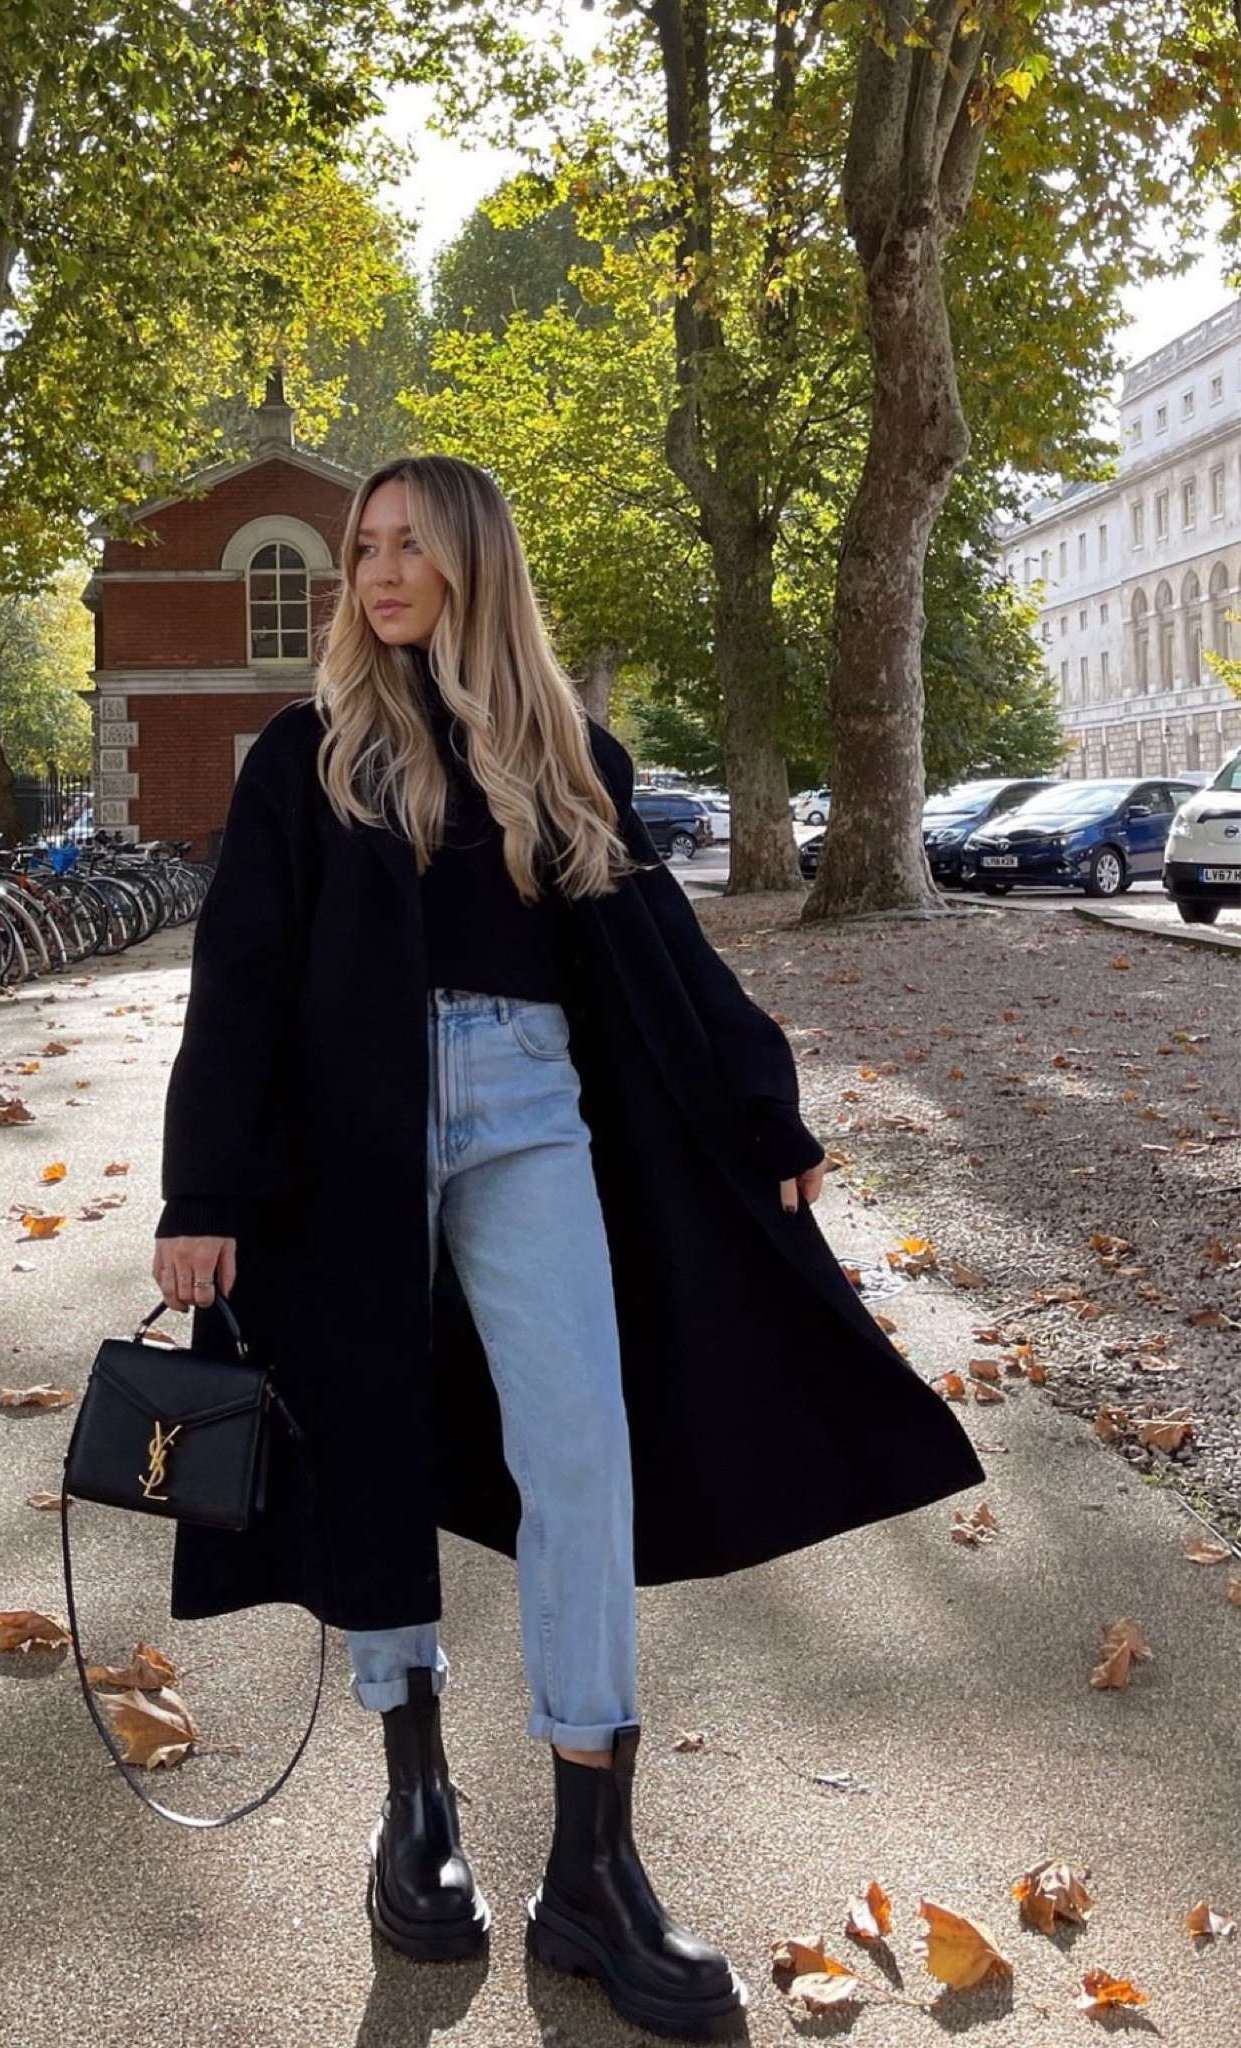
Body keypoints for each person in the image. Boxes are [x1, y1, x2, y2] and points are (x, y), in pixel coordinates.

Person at [150, 455, 982, 2041]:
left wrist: (763, 1111)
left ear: (475, 561)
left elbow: (660, 949)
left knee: (581, 1456)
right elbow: (238, 974)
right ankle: (417, 1810)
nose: (379, 571)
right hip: (345, 1136)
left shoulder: (564, 752)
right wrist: (205, 1193)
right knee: (370, 1445)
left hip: (530, 1111)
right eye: (363, 547)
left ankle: (594, 1864)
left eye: (411, 544)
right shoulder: (307, 756)